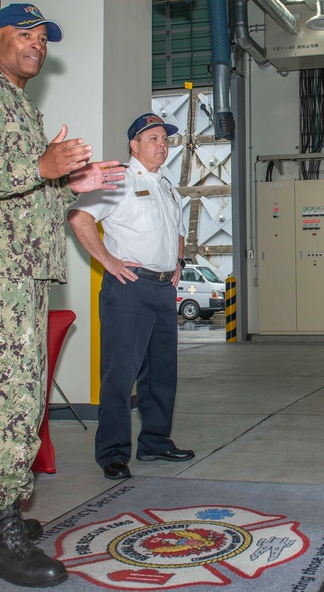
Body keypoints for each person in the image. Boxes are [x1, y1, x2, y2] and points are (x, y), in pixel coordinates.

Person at [0, 3, 125, 587]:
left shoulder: (21, 107)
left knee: (1, 397)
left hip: (16, 275)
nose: (37, 45)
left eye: (43, 39)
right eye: (26, 35)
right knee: (8, 401)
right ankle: (3, 532)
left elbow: (22, 194)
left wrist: (68, 185)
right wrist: (41, 166)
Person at [69, 113, 195, 482]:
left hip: (161, 289)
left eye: (164, 138)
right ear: (134, 145)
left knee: (161, 375)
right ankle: (112, 453)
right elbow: (79, 217)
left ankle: (155, 441)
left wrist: (178, 261)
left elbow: (178, 232)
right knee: (120, 376)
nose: (161, 144)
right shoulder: (120, 179)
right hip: (128, 290)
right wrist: (107, 261)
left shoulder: (168, 186)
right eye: (153, 138)